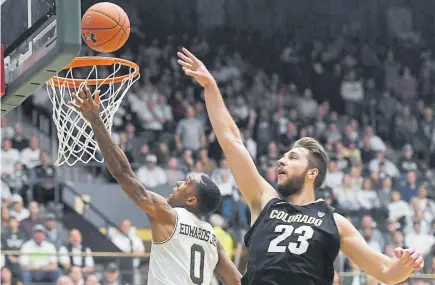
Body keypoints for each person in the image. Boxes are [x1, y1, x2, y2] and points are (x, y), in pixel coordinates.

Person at [177, 48, 424, 285]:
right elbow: (231, 141)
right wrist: (210, 87)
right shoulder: (264, 200)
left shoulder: (334, 222)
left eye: (293, 157)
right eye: (283, 156)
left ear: (312, 173)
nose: (281, 160)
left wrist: (404, 265)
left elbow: (385, 270)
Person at [69, 87, 241, 285]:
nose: (178, 183)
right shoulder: (212, 238)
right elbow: (236, 281)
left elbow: (122, 172)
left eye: (186, 183)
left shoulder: (168, 215)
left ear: (191, 200)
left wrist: (95, 120)